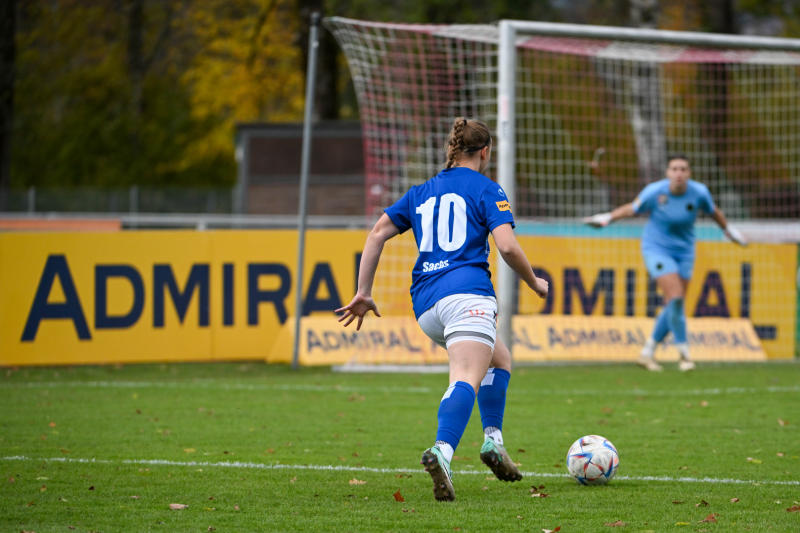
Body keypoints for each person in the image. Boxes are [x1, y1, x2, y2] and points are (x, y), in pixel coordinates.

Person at [335, 118, 548, 502]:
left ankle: (494, 441)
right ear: (485, 152)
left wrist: (363, 292)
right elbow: (507, 246)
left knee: (499, 359)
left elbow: (377, 233)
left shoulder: (421, 191)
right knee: (466, 375)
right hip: (468, 296)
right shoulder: (487, 188)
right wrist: (534, 282)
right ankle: (442, 452)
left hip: (428, 306)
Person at [584, 155, 747, 372]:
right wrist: (607, 218)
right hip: (657, 249)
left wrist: (728, 230)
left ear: (689, 173)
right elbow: (632, 208)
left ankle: (647, 352)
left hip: (685, 251)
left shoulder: (699, 192)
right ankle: (684, 354)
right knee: (676, 297)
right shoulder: (655, 192)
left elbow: (714, 212)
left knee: (674, 303)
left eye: (683, 169)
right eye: (675, 169)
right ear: (668, 173)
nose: (679, 173)